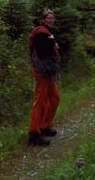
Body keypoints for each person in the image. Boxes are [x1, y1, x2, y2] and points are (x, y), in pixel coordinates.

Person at [27, 10, 61, 146]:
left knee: (54, 99)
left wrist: (53, 43)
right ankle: (34, 133)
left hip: (49, 71)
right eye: (48, 18)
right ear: (43, 19)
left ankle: (44, 126)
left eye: (52, 18)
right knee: (40, 101)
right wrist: (53, 45)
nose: (51, 20)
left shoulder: (47, 31)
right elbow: (42, 51)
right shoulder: (41, 32)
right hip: (42, 71)